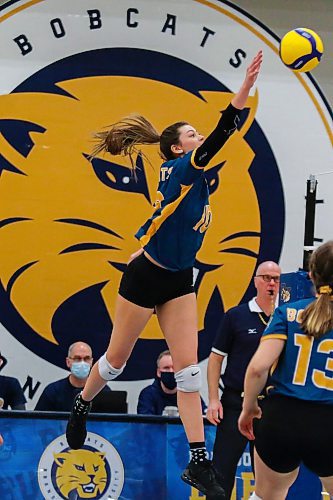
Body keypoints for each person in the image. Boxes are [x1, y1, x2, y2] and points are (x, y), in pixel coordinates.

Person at [66, 50, 263, 498]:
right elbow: (220, 136)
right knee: (115, 361)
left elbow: (169, 218)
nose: (198, 138)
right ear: (178, 147)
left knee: (190, 374)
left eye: (196, 134)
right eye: (191, 134)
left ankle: (199, 462)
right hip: (145, 279)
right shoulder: (183, 168)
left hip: (178, 279)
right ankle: (82, 403)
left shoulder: (190, 172)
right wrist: (243, 92)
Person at [238, 241, 333, 500]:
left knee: (266, 495)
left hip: (281, 418)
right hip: (328, 421)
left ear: (311, 275)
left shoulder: (288, 312)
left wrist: (248, 408)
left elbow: (258, 368)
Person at [206, 261, 281, 499]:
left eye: (276, 279)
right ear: (255, 280)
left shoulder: (287, 317)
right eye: (266, 277)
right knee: (221, 472)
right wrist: (212, 399)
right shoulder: (236, 316)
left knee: (270, 478)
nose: (271, 283)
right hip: (235, 403)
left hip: (271, 407)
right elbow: (216, 358)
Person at [35, 341, 111, 411]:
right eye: (77, 358)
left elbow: (113, 423)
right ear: (68, 362)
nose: (82, 362)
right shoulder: (52, 391)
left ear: (91, 362)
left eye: (86, 358)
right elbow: (37, 422)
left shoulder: (103, 391)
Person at [137, 349, 206, 415]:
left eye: (175, 367)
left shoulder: (189, 394)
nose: (171, 371)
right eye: (166, 368)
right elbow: (145, 425)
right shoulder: (148, 394)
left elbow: (204, 419)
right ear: (158, 372)